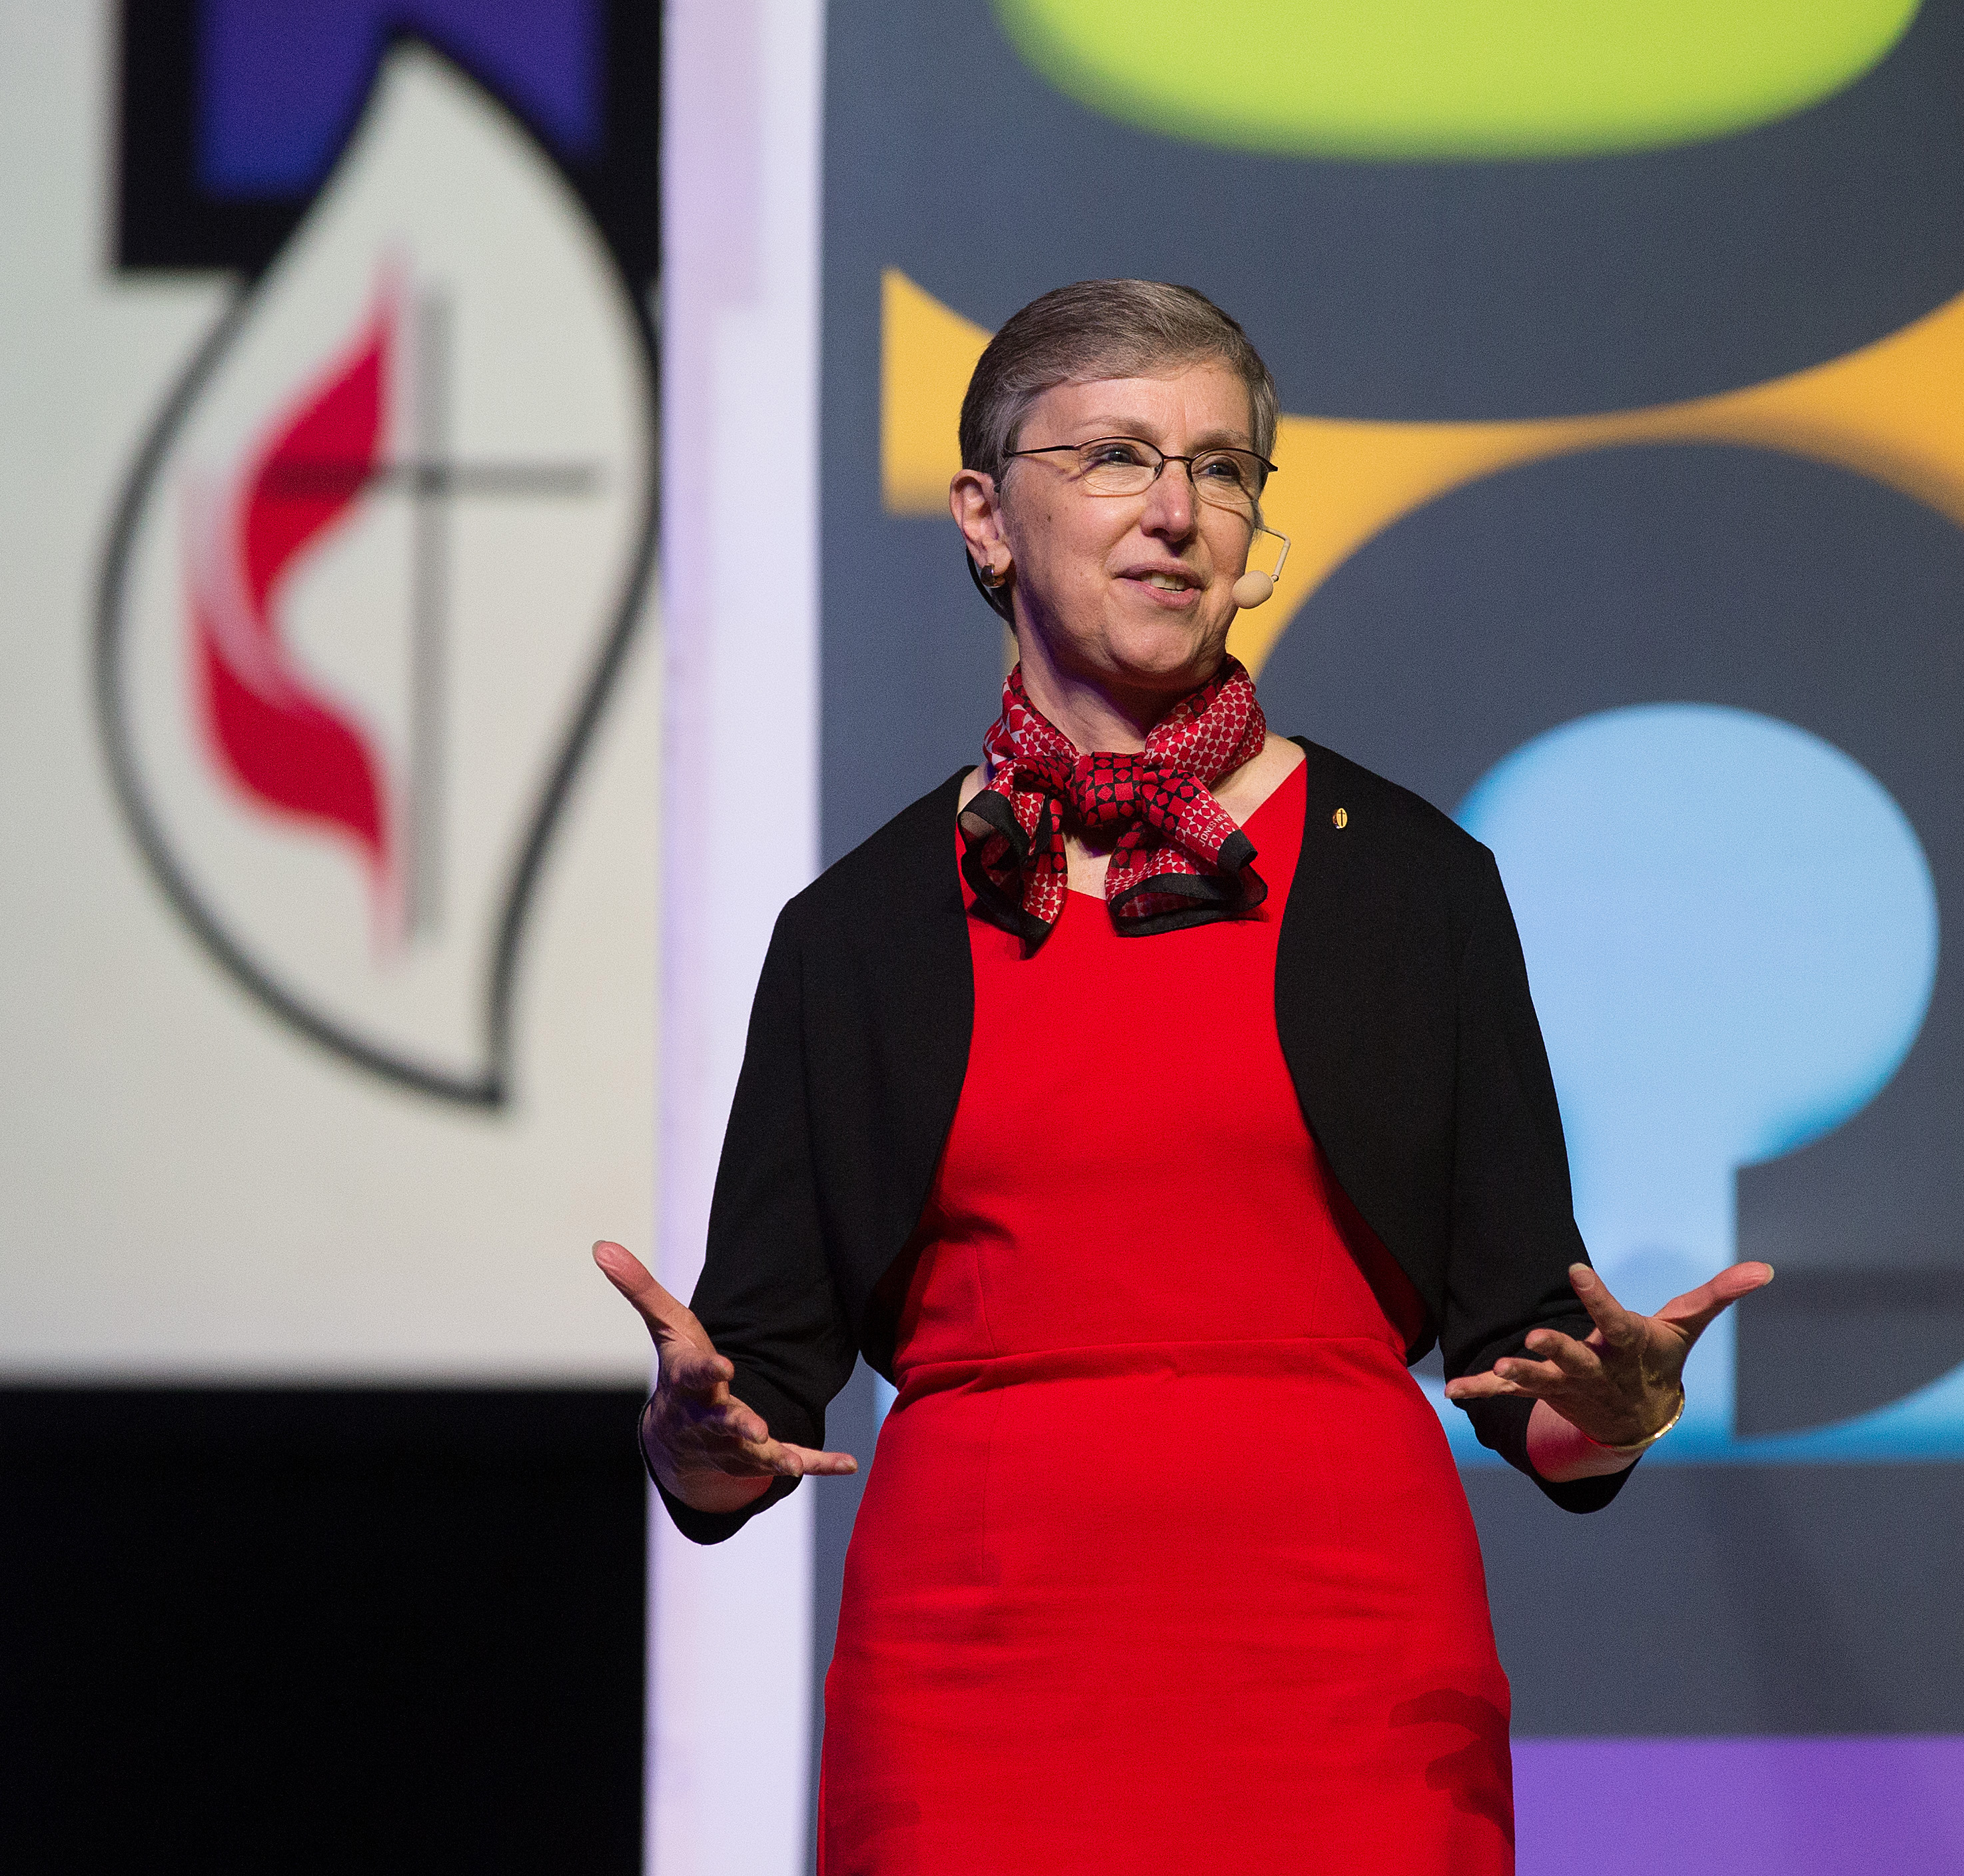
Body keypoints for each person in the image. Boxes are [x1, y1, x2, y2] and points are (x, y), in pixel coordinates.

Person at [595, 280, 1771, 1873]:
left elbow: (1532, 1382)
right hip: (973, 1694)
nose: (1176, 513)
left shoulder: (1413, 885)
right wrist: (693, 1441)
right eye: (1116, 456)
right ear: (984, 514)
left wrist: (1625, 1411)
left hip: (1349, 1691)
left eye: (1222, 469)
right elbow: (752, 1396)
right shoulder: (858, 928)